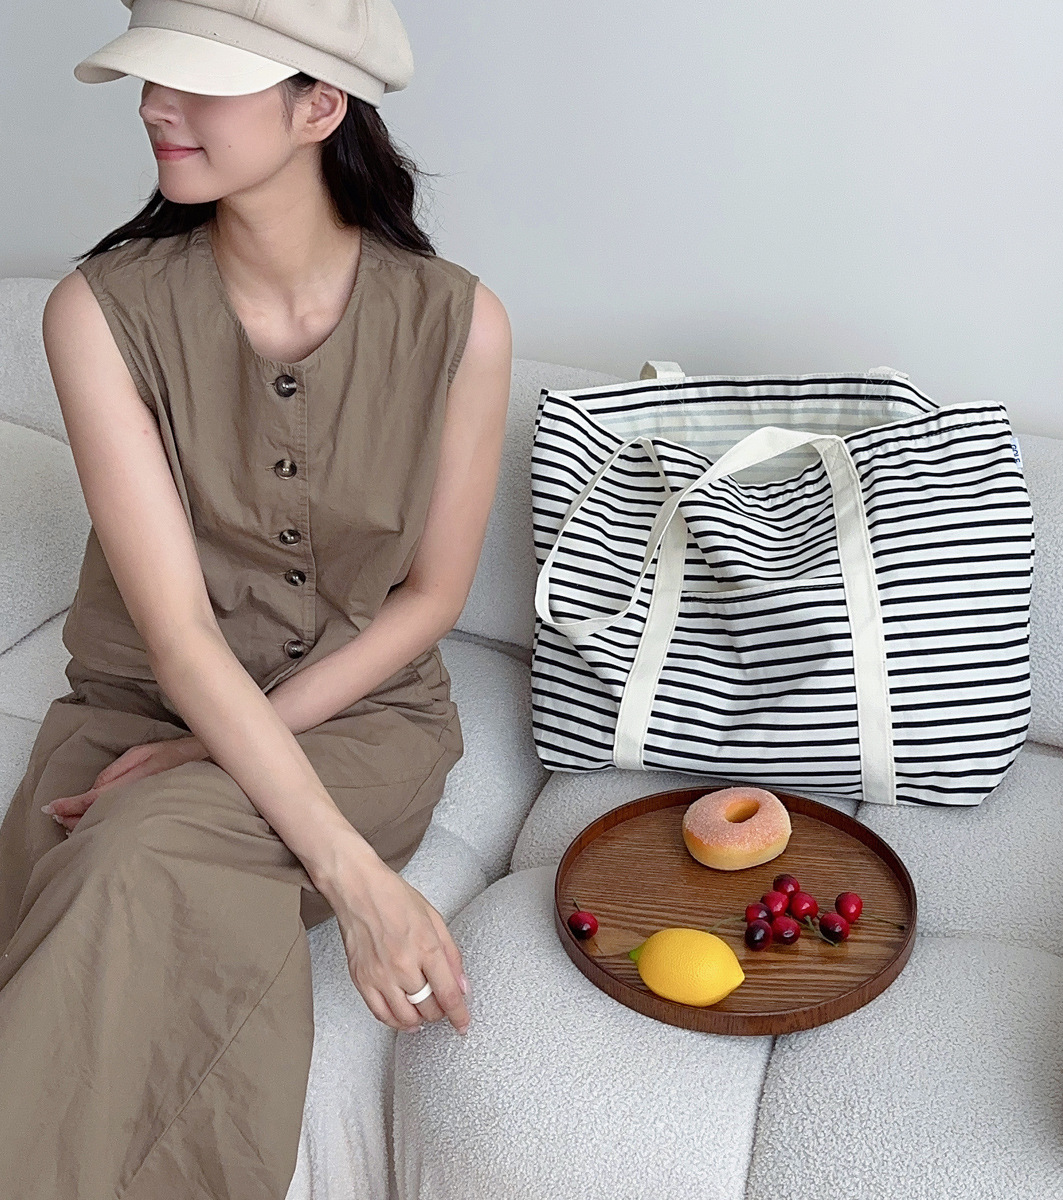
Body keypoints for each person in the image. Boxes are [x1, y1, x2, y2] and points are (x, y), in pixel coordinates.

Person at [0, 0, 512, 1195]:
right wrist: (356, 882)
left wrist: (216, 760)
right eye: (150, 78)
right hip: (139, 710)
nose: (153, 106)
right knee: (110, 870)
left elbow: (431, 597)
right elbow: (180, 638)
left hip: (360, 721)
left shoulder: (459, 324)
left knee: (135, 852)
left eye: (197, 82)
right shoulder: (98, 313)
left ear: (318, 107)